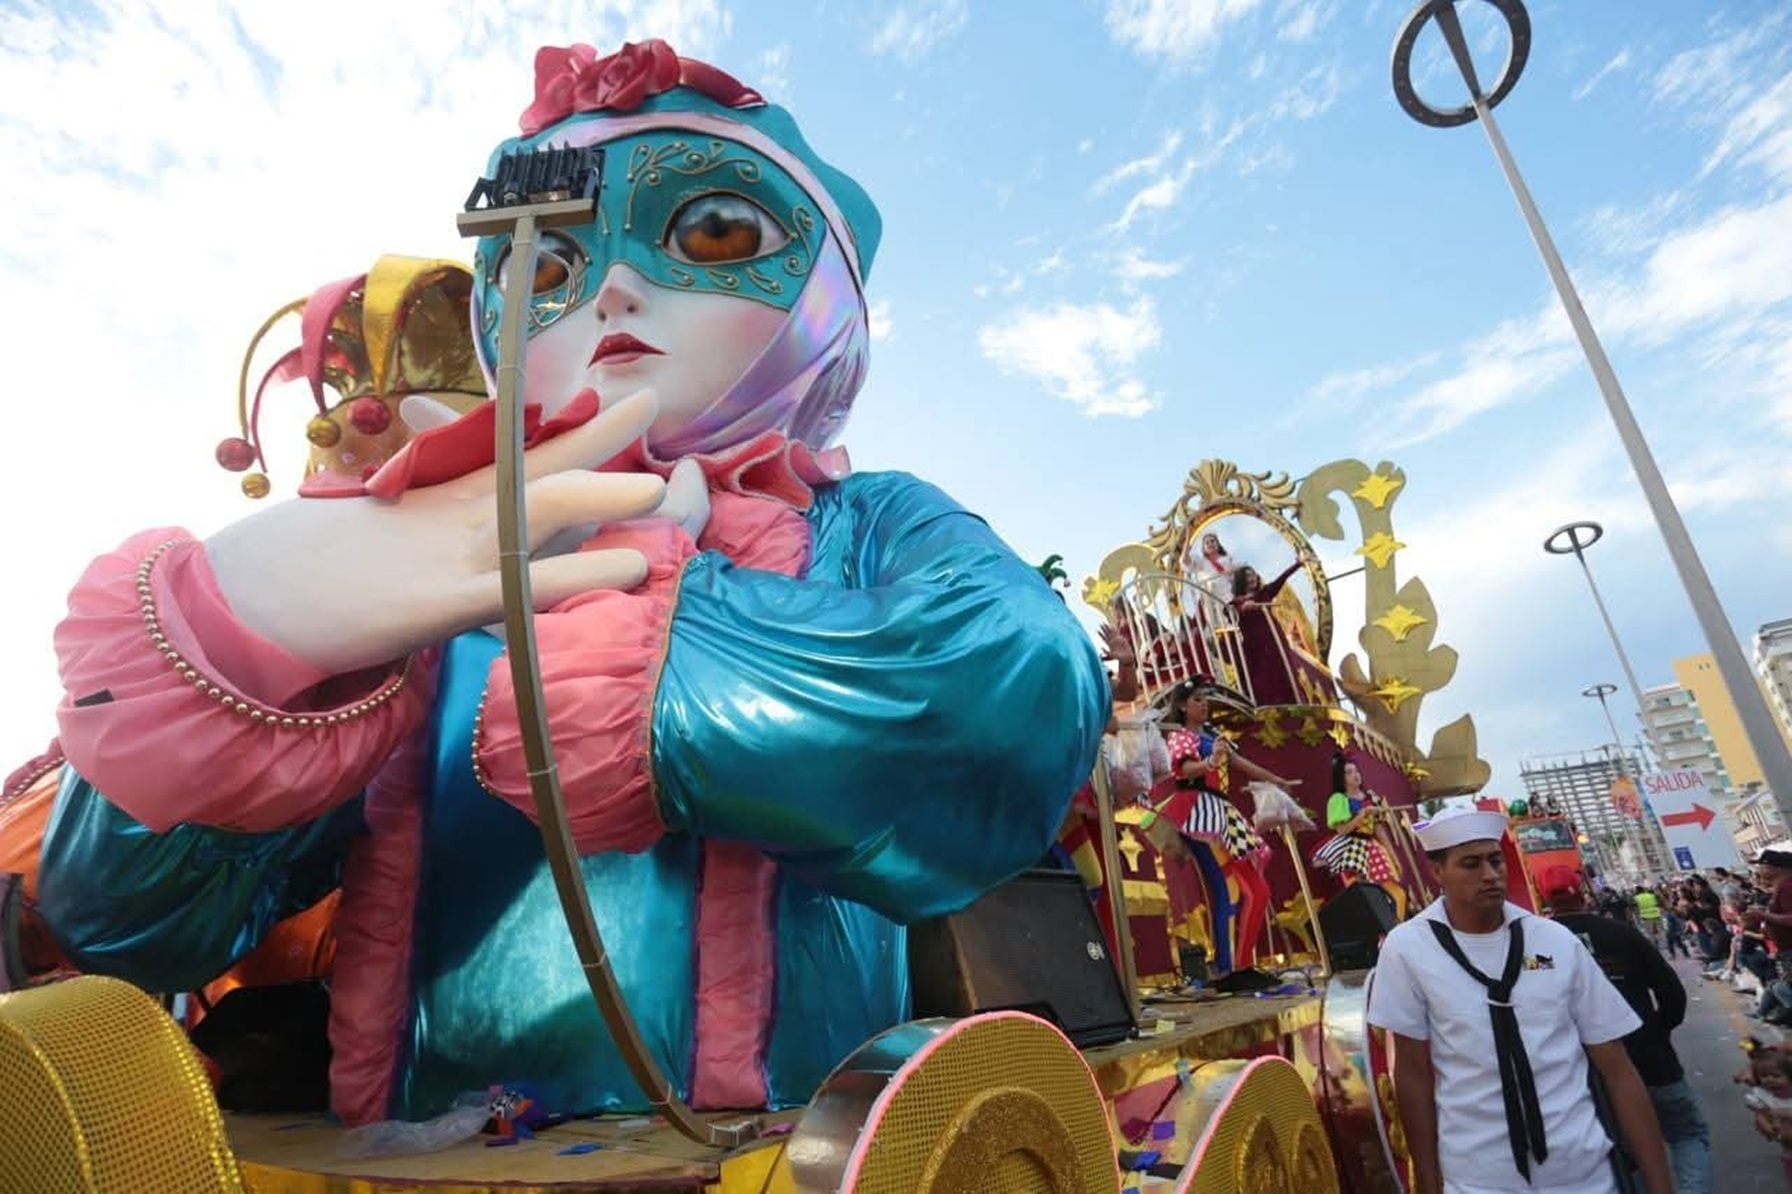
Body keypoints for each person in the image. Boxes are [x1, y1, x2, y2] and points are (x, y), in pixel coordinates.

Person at [18, 39, 1107, 1125]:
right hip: (432, 1155)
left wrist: (665, 643)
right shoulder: (435, 554)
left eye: (714, 232)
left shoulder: (867, 522)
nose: (618, 287)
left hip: (772, 1156)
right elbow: (137, 931)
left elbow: (1011, 704)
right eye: (544, 267)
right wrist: (239, 659)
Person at [1367, 806, 1673, 1194]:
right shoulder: (1408, 948)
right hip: (1477, 1178)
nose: (1490, 875)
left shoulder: (1555, 941)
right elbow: (1410, 1074)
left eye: (1495, 860)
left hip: (1583, 1173)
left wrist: (1660, 1183)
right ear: (1437, 871)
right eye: (1471, 864)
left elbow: (1618, 1070)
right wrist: (1428, 1182)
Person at [1541, 867, 1711, 1194]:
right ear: (1583, 892)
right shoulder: (1621, 934)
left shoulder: (1536, 950)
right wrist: (1656, 1032)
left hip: (1589, 1074)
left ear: (1545, 896)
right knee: (1687, 1136)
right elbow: (1671, 993)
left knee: (1626, 1151)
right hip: (1652, 1061)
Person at [1152, 677, 1298, 977]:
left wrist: (1278, 780)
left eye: (1206, 699)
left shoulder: (1214, 736)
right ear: (1182, 706)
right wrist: (1210, 762)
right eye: (1197, 700)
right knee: (1220, 889)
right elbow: (1181, 771)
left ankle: (1243, 964)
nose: (1204, 704)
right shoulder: (1181, 736)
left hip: (1222, 813)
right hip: (1196, 811)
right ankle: (1224, 967)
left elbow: (1242, 763)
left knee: (1258, 890)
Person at [1312, 752, 1406, 918]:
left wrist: (1393, 855)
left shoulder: (1369, 796)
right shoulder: (1338, 799)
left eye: (1356, 771)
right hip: (1352, 850)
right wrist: (1362, 815)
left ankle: (1393, 929)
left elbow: (1378, 829)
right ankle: (1384, 934)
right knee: (1366, 898)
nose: (1355, 775)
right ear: (1341, 779)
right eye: (1349, 772)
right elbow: (1342, 831)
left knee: (1394, 893)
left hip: (1373, 848)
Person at [1228, 560, 1306, 706]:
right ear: (1241, 580)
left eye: (1253, 575)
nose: (1252, 578)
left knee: (1281, 669)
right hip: (1254, 645)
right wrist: (1244, 607)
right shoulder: (1235, 603)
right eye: (1247, 576)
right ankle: (1266, 705)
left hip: (1274, 639)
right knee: (1261, 676)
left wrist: (1297, 564)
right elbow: (1231, 613)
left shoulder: (1265, 593)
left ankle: (1291, 703)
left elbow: (1281, 579)